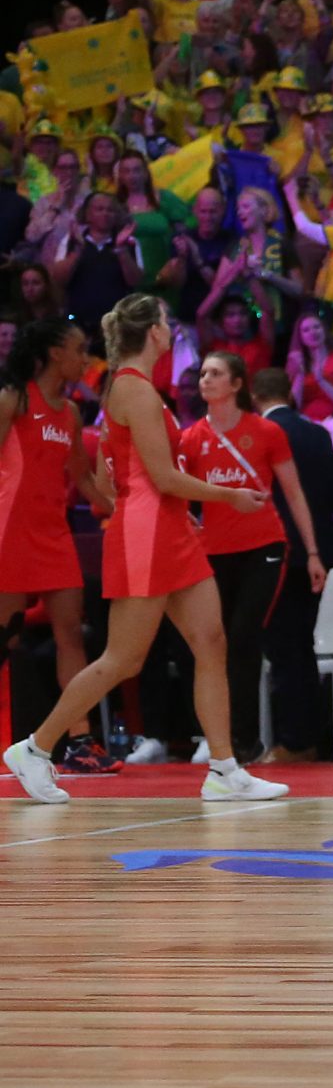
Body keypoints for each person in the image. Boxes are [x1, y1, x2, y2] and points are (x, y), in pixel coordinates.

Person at [5, 295, 288, 805]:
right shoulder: (133, 390)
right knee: (123, 659)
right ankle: (36, 747)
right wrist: (229, 497)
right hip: (146, 532)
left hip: (171, 528)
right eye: (167, 321)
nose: (171, 328)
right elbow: (160, 477)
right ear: (153, 332)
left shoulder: (140, 389)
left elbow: (119, 474)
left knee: (211, 641)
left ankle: (224, 768)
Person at [176, 349, 327, 763]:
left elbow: (293, 493)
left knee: (243, 635)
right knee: (213, 641)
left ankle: (243, 739)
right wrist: (190, 522)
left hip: (265, 545)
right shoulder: (191, 438)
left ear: (237, 384)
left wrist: (313, 552)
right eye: (203, 372)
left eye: (216, 373)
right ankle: (217, 734)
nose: (205, 379)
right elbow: (175, 488)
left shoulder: (265, 432)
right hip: (213, 552)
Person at [0, 318, 118, 774]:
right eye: (78, 349)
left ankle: (79, 741)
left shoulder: (69, 413)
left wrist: (121, 511)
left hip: (53, 535)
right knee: (5, 640)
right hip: (11, 533)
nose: (85, 359)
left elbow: (83, 479)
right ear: (53, 354)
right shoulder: (14, 398)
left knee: (70, 633)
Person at [247, 366, 333, 761]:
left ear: (253, 395)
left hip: (279, 552)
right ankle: (310, 737)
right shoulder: (318, 433)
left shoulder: (257, 436)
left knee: (286, 650)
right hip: (320, 552)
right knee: (305, 647)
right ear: (292, 391)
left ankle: (293, 741)